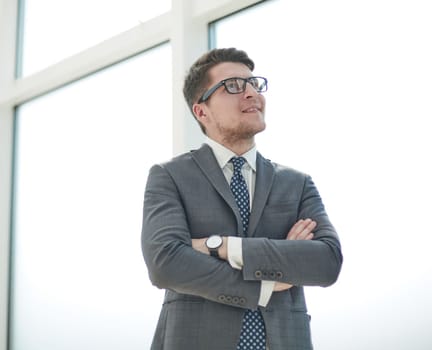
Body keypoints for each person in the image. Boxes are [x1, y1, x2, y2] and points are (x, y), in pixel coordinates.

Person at [141, 47, 343, 350]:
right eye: (233, 86)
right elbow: (165, 263)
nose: (251, 94)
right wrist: (268, 283)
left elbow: (326, 261)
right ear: (201, 111)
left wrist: (220, 246)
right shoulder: (169, 176)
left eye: (254, 84)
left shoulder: (297, 184)